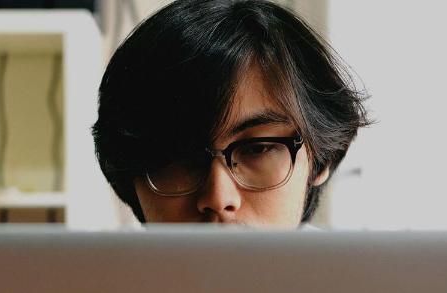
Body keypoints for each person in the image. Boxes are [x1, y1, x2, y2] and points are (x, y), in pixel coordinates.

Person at [92, 0, 370, 228]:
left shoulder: (376, 292)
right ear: (129, 177)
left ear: (321, 161)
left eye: (257, 149)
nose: (218, 197)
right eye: (180, 157)